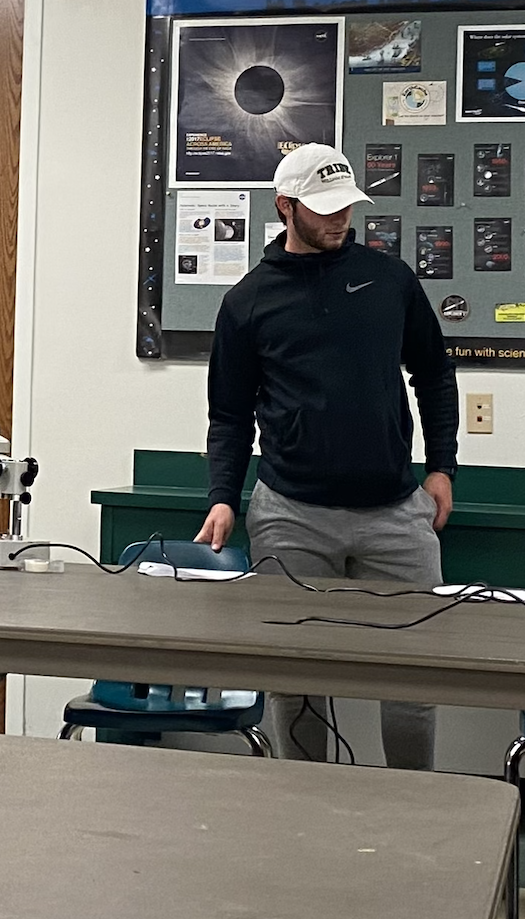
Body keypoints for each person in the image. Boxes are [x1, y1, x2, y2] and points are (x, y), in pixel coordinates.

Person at [195, 142, 459, 766]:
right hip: (291, 514)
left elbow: (434, 374)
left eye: (347, 205)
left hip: (395, 511)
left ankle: (412, 802)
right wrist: (222, 497)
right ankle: (304, 804)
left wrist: (442, 467)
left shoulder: (390, 279)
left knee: (412, 679)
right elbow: (229, 414)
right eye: (324, 207)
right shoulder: (247, 301)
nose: (341, 218)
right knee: (295, 682)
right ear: (286, 207)